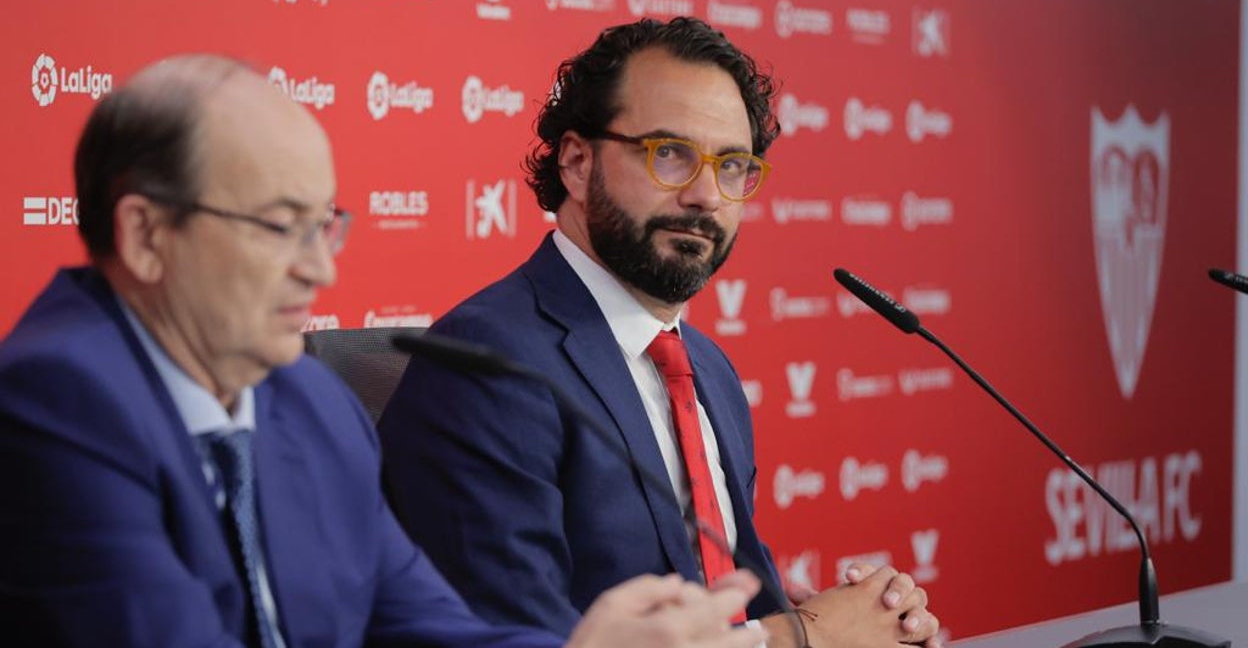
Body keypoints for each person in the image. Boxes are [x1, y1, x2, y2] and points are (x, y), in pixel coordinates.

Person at [0, 54, 770, 648]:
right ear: (144, 234)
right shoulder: (56, 403)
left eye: (323, 226)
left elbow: (434, 631)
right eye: (278, 227)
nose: (320, 269)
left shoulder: (309, 402)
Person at [379, 17, 943, 648]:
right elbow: (515, 635)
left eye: (732, 165)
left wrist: (853, 618)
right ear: (575, 161)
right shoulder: (485, 364)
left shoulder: (707, 369)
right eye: (669, 154)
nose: (706, 195)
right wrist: (794, 639)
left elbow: (720, 594)